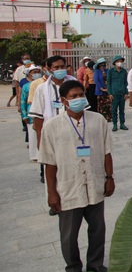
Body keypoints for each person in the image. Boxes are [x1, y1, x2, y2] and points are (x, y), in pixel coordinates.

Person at [40, 80, 114, 272]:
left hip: (95, 183)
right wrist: (51, 193)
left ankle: (95, 266)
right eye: (73, 96)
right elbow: (49, 162)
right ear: (63, 101)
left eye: (81, 94)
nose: (79, 99)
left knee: (98, 229)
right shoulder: (52, 126)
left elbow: (107, 151)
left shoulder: (97, 120)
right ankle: (73, 270)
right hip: (68, 187)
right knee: (69, 235)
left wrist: (110, 178)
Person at [30, 55, 79, 214]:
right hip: (52, 134)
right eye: (56, 67)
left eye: (62, 66)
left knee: (73, 166)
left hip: (72, 132)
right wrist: (40, 141)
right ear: (49, 69)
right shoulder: (42, 89)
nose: (60, 70)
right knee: (52, 169)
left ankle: (73, 197)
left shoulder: (73, 84)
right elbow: (38, 118)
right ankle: (53, 200)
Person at [20, 65, 41, 163]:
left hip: (41, 112)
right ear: (30, 74)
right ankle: (34, 155)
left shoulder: (43, 84)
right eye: (34, 72)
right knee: (32, 136)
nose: (36, 73)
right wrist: (24, 115)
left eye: (38, 71)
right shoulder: (26, 86)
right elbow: (23, 101)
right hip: (30, 113)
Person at [106, 56, 128, 132]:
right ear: (114, 63)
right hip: (114, 93)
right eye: (118, 61)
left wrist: (126, 93)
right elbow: (108, 82)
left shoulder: (124, 71)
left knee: (122, 110)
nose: (119, 63)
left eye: (121, 61)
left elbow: (126, 82)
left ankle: (122, 123)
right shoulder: (111, 71)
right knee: (114, 109)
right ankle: (115, 124)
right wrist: (110, 93)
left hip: (122, 93)